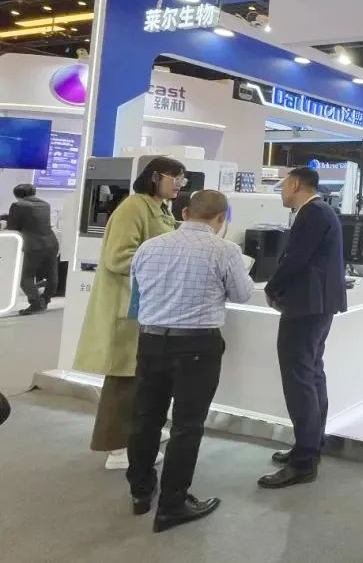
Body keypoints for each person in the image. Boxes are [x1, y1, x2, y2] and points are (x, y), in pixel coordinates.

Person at [127, 190, 254, 532]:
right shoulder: (225, 250)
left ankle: (140, 492)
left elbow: (137, 291)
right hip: (197, 345)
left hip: (150, 340)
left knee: (145, 417)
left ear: (184, 212)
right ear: (221, 219)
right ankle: (172, 504)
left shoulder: (149, 247)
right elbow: (242, 294)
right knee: (186, 425)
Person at [74, 156, 186, 470]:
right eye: (175, 178)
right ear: (155, 177)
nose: (179, 185)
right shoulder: (133, 208)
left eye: (182, 179)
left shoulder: (160, 208)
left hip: (145, 306)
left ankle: (136, 433)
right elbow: (118, 257)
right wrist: (164, 264)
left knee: (141, 376)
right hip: (125, 305)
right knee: (123, 379)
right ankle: (117, 447)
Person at [259, 167, 347, 489]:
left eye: (283, 185)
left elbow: (295, 259)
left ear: (295, 184)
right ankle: (310, 444)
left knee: (299, 379)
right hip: (316, 305)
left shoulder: (312, 213)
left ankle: (304, 460)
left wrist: (272, 288)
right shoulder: (321, 212)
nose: (281, 192)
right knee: (311, 374)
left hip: (306, 306)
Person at [7, 183, 59, 315]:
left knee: (25, 276)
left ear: (18, 195)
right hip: (51, 242)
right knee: (51, 273)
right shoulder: (45, 204)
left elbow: (12, 227)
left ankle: (35, 303)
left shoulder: (17, 205)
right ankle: (45, 300)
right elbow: (33, 219)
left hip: (33, 245)